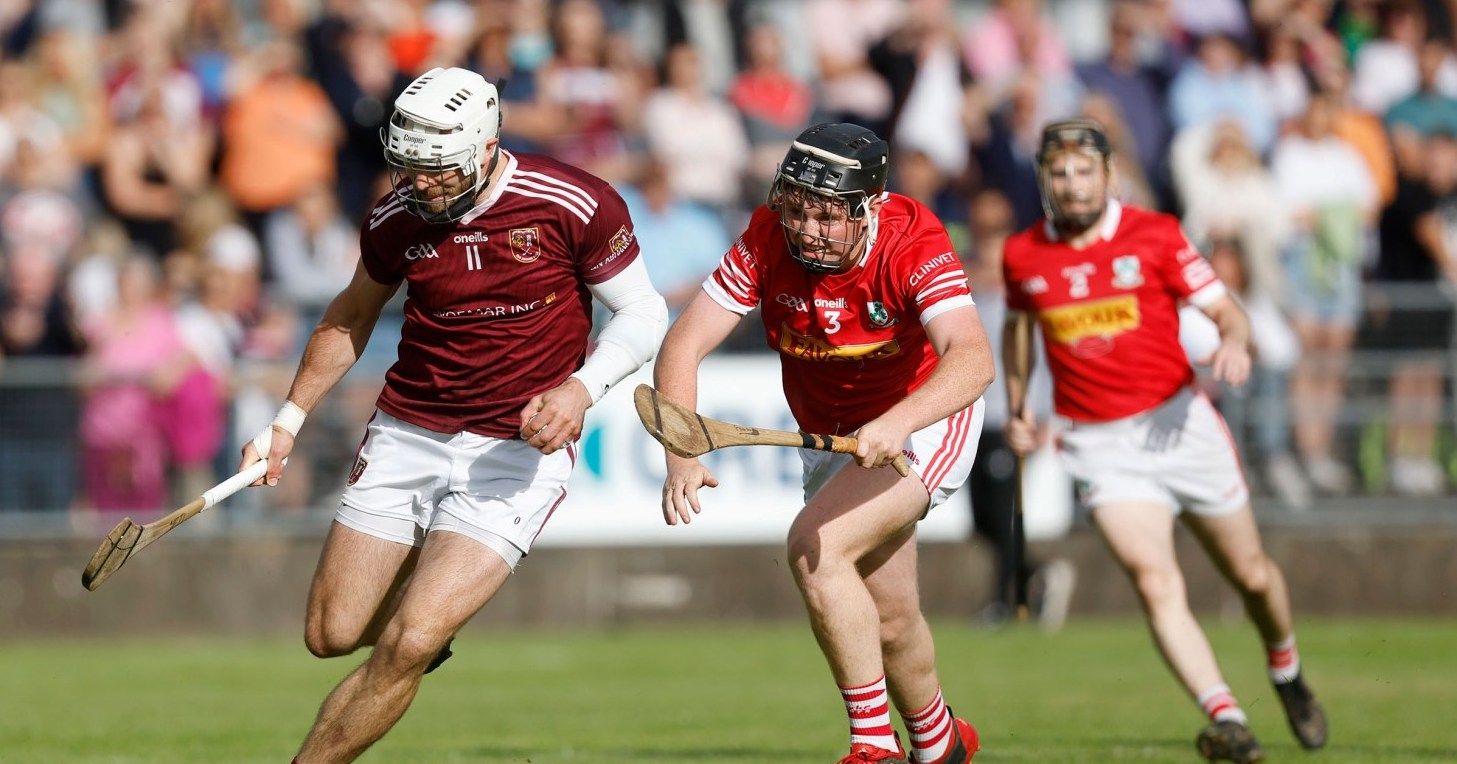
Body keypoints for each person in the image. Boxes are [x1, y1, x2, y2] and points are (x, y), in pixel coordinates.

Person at [238, 66, 667, 763]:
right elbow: (349, 317)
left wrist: (580, 390)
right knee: (331, 634)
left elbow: (645, 312)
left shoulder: (573, 202)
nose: (421, 185)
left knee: (407, 641)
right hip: (408, 431)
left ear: (489, 146)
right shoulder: (394, 215)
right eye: (408, 168)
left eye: (437, 170)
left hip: (515, 456)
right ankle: (425, 630)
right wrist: (285, 421)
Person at [654, 123, 993, 764]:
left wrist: (899, 421)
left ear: (867, 206)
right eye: (798, 209)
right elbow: (684, 344)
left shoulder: (911, 239)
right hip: (832, 439)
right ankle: (940, 742)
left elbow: (973, 360)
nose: (808, 228)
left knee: (816, 547)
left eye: (828, 215)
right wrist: (681, 450)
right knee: (889, 618)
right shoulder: (765, 238)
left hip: (924, 419)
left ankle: (872, 746)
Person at [1001, 119, 1327, 763]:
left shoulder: (1155, 235)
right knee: (1155, 579)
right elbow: (1018, 332)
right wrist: (1016, 406)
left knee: (1252, 576)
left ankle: (1285, 670)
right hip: (1099, 445)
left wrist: (1234, 340)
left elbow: (1224, 308)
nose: (1071, 186)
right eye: (1059, 174)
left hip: (1181, 427)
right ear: (1045, 180)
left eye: (1084, 172)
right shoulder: (1024, 255)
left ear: (1109, 176)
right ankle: (1227, 717)